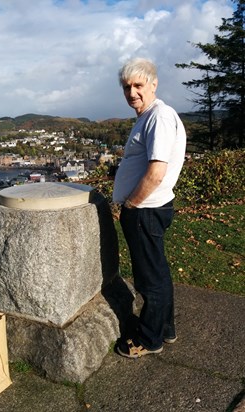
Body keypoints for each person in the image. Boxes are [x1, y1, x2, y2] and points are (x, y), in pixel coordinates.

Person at [113, 57, 186, 358]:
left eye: (138, 85)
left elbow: (156, 171)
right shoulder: (149, 116)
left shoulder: (159, 116)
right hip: (148, 208)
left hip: (144, 209)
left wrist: (130, 204)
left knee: (149, 277)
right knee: (157, 270)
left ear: (153, 84)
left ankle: (150, 338)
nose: (132, 92)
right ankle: (165, 329)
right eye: (127, 87)